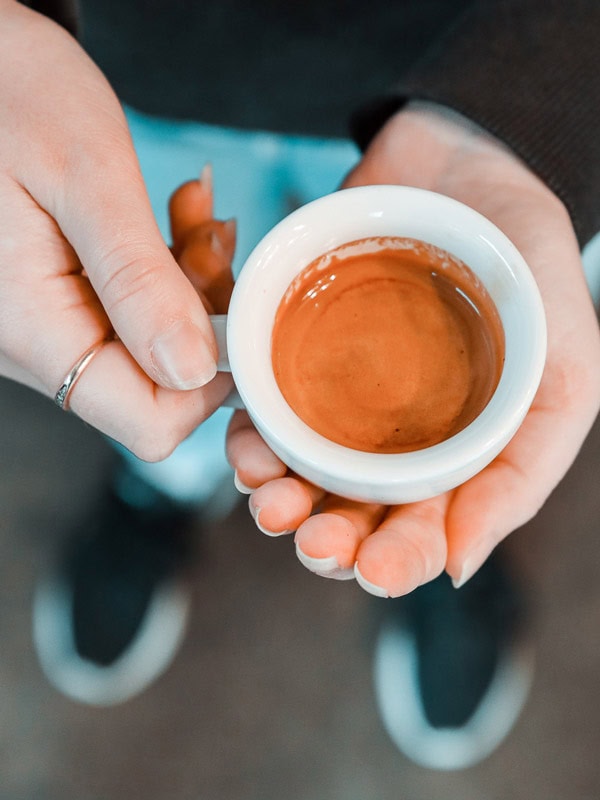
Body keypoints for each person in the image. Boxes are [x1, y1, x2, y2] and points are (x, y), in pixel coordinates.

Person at [2, 0, 599, 769]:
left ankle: (442, 536)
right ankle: (167, 484)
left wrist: (543, 92)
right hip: (139, 69)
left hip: (473, 59)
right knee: (161, 322)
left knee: (177, 318)